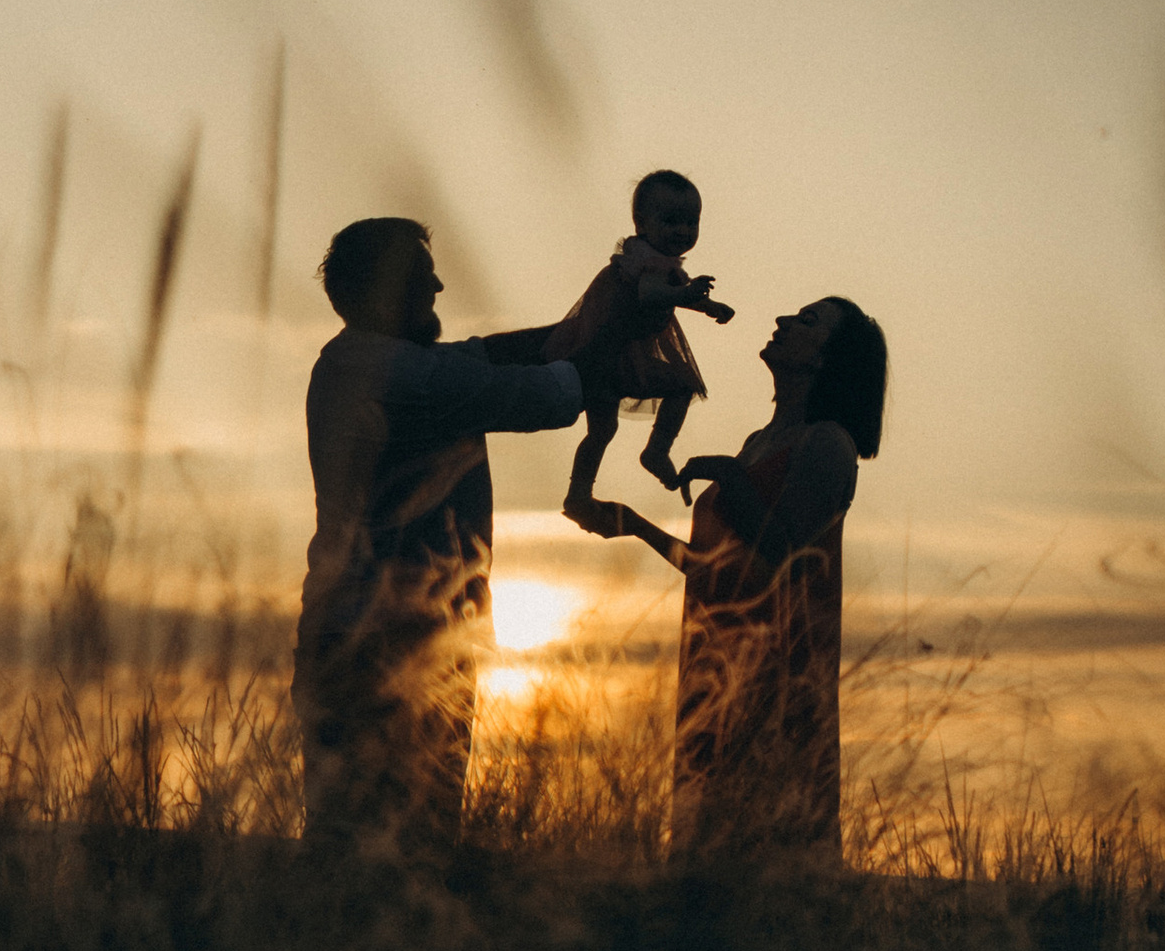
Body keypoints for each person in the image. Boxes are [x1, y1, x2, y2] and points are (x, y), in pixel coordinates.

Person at [295, 214, 597, 853]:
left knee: (359, 833)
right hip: (391, 638)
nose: (438, 290)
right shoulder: (396, 376)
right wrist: (598, 356)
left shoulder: (365, 361)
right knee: (404, 838)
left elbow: (483, 354)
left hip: (372, 630)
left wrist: (585, 326)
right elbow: (538, 395)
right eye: (424, 281)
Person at [585, 294, 886, 860]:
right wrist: (635, 526)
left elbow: (781, 553)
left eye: (807, 321)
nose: (782, 320)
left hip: (776, 678)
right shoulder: (757, 445)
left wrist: (726, 474)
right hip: (713, 668)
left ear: (828, 358)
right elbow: (712, 572)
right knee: (706, 851)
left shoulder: (828, 445)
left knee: (770, 852)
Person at [555, 166, 734, 526]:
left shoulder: (661, 261)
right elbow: (648, 293)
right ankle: (648, 455)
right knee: (674, 390)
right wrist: (684, 293)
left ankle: (586, 489)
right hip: (612, 353)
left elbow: (669, 292)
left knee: (606, 428)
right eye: (671, 221)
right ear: (641, 222)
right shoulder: (643, 260)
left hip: (620, 354)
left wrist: (707, 306)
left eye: (691, 222)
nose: (682, 231)